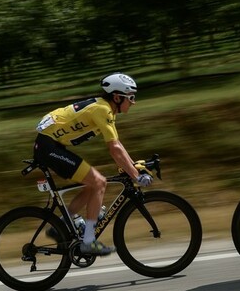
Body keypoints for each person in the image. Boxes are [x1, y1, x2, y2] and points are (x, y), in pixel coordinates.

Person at [33, 72, 153, 256]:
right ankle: (88, 242)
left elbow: (117, 144)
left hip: (51, 145)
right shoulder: (102, 110)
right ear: (117, 97)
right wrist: (135, 176)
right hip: (48, 147)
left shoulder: (105, 108)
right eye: (131, 97)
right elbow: (113, 148)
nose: (133, 102)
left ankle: (61, 227)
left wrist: (132, 166)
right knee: (99, 182)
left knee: (92, 185)